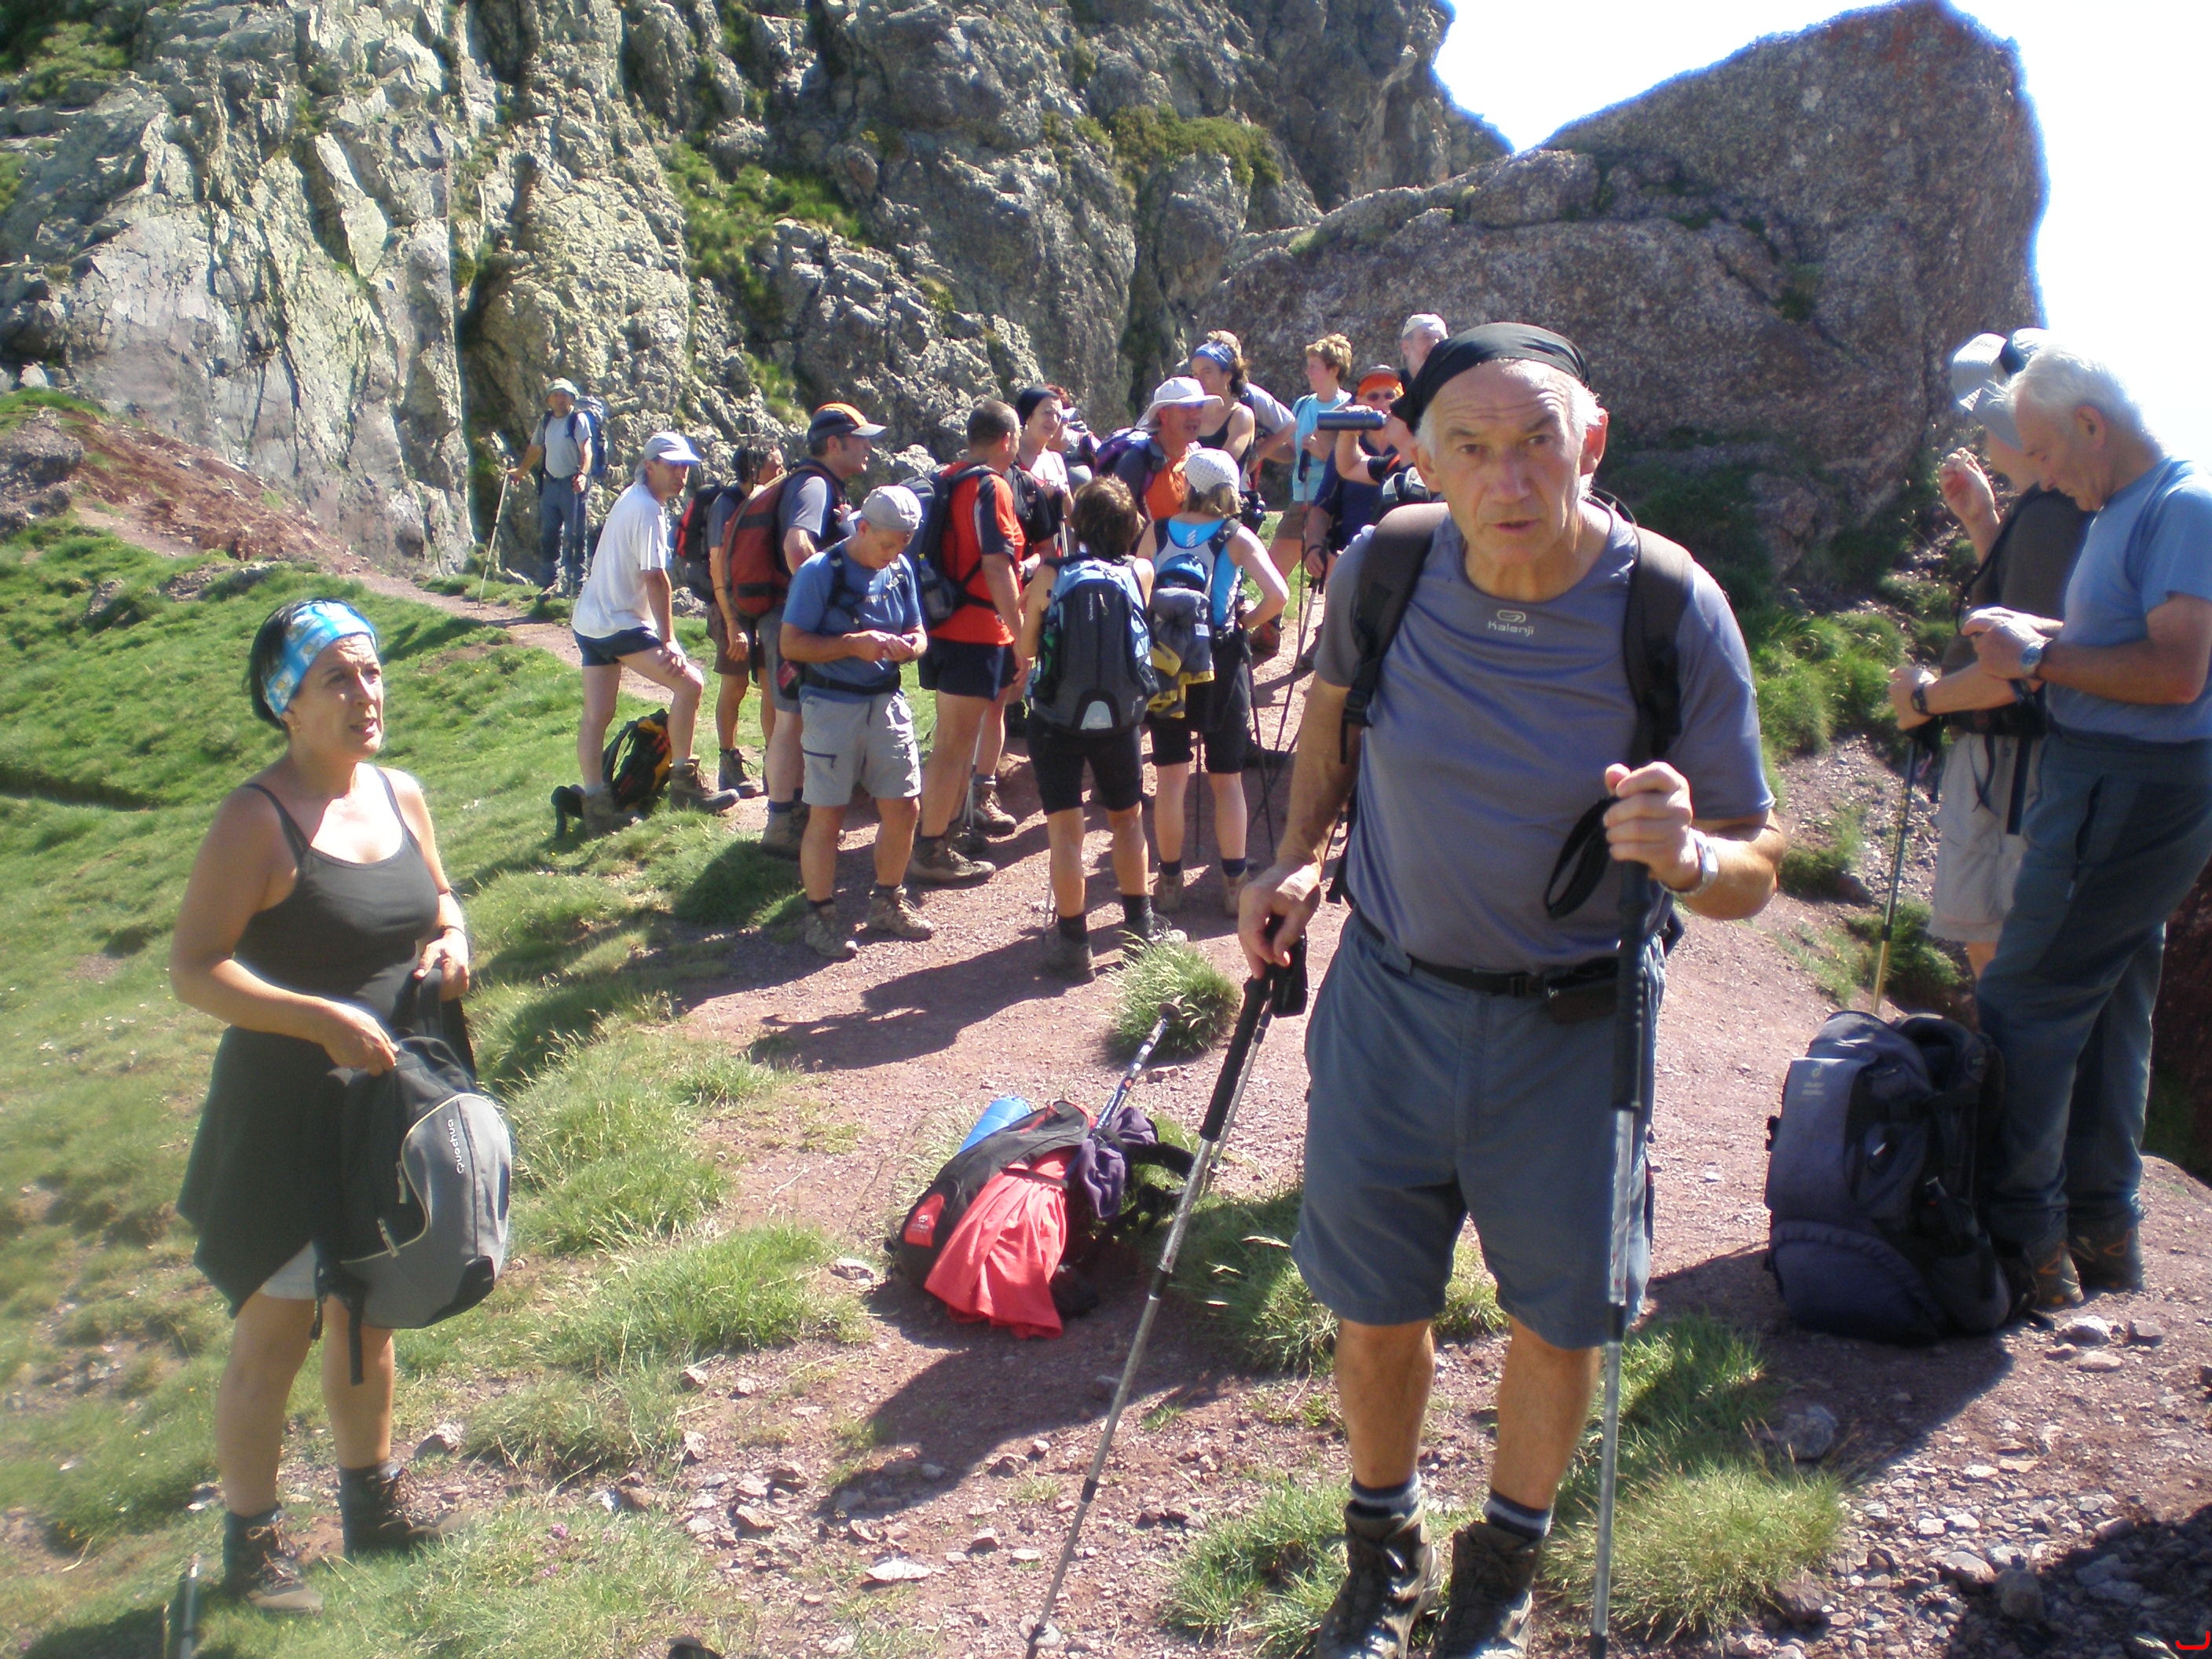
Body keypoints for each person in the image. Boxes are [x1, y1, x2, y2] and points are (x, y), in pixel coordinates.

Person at [1239, 325, 1781, 1659]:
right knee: (1377, 1308)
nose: (1511, 476)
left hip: (1577, 1031)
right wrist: (1296, 858)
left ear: (1590, 442)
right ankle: (1383, 1555)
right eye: (1472, 448)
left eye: (1539, 440)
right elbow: (1330, 727)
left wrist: (1692, 857)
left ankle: (1502, 1570)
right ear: (1423, 460)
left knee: (1560, 1317)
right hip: (1388, 1002)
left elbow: (1757, 865)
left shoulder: (1670, 605)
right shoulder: (1387, 567)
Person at [171, 599, 474, 1615]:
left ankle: (370, 1506)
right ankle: (251, 1547)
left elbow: (439, 898)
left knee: (365, 1317)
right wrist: (316, 1019)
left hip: (385, 1111)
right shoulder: (254, 821)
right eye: (337, 678)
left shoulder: (400, 793)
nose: (365, 694)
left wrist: (454, 940)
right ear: (285, 704)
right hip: (284, 1118)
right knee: (276, 1329)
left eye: (372, 672)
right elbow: (196, 968)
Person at [1961, 341, 2212, 1309]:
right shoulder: (2129, 508)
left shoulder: (2181, 507)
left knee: (2024, 995)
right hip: (2117, 783)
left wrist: (2036, 662)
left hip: (2125, 787)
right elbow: (2128, 645)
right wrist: (2045, 638)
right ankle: (2100, 1232)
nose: (2043, 476)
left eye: (2044, 453)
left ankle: (2017, 1241)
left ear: (2090, 425)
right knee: (2105, 1001)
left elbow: (2177, 674)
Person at [1889, 331, 2089, 976]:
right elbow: (2018, 618)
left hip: (2012, 767)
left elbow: (2016, 671)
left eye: (1990, 415)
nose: (1980, 430)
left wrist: (1924, 699)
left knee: (1997, 950)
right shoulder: (2049, 509)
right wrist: (1983, 523)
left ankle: (2007, 1050)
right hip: (2026, 764)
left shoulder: (2051, 516)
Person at [1020, 477, 1176, 978]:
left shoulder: (1052, 573)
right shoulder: (1140, 572)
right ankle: (1140, 926)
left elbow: (1026, 647)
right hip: (1119, 717)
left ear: (1079, 525)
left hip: (1055, 718)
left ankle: (1073, 944)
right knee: (1127, 820)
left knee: (1066, 831)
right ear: (1130, 526)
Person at [780, 486, 936, 960]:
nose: (893, 554)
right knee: (828, 815)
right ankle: (820, 916)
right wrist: (851, 645)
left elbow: (919, 631)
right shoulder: (818, 572)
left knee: (905, 807)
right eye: (887, 544)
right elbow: (791, 644)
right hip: (831, 705)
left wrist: (911, 647)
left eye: (902, 544)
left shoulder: (900, 568)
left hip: (886, 700)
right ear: (862, 528)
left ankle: (888, 902)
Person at [1143, 447, 1288, 917]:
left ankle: (1169, 883)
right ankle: (1233, 884)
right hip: (1219, 659)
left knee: (1170, 776)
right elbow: (1279, 595)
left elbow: (1138, 590)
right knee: (1226, 779)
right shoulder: (1236, 536)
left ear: (1188, 483)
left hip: (1166, 660)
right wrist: (1245, 624)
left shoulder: (1158, 530)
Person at [570, 432, 739, 833]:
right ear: (650, 466)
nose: (682, 474)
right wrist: (668, 639)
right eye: (673, 466)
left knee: (597, 714)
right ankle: (684, 786)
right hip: (619, 622)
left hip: (590, 622)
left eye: (685, 467)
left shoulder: (633, 498)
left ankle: (597, 806)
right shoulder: (647, 508)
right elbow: (655, 577)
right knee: (690, 684)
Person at [910, 401, 1032, 884]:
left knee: (955, 742)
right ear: (1006, 439)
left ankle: (948, 830)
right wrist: (1022, 636)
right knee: (953, 746)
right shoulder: (992, 486)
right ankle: (931, 847)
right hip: (976, 632)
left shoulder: (947, 477)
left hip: (943, 624)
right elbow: (997, 565)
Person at [760, 404, 882, 859]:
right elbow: (798, 546)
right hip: (795, 621)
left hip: (787, 616)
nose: (868, 448)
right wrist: (822, 602)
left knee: (794, 717)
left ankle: (793, 813)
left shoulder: (818, 482)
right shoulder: (814, 485)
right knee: (792, 719)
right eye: (861, 440)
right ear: (834, 444)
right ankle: (781, 822)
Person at [708, 443, 784, 798]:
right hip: (731, 606)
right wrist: (732, 624)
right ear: (754, 470)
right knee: (735, 685)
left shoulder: (770, 501)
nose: (782, 472)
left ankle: (775, 765)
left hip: (764, 603)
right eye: (776, 465)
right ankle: (728, 761)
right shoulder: (725, 505)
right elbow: (716, 566)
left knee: (771, 685)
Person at [508, 378, 599, 595]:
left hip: (572, 485)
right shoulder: (546, 420)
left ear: (572, 399)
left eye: (564, 395)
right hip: (550, 484)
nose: (560, 399)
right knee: (549, 533)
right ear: (549, 399)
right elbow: (535, 448)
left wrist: (583, 475)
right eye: (556, 395)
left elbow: (586, 450)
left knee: (575, 535)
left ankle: (576, 583)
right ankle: (548, 582)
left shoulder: (578, 420)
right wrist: (521, 471)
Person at [1112, 375, 1211, 525]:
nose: (1195, 415)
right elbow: (1114, 520)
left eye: (1199, 406)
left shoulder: (1196, 453)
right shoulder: (1137, 460)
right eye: (1185, 408)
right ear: (1164, 415)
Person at [1400, 312, 1448, 378]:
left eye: (1441, 339)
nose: (1436, 344)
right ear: (1406, 347)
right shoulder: (1391, 382)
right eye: (1427, 338)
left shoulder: (1457, 382)